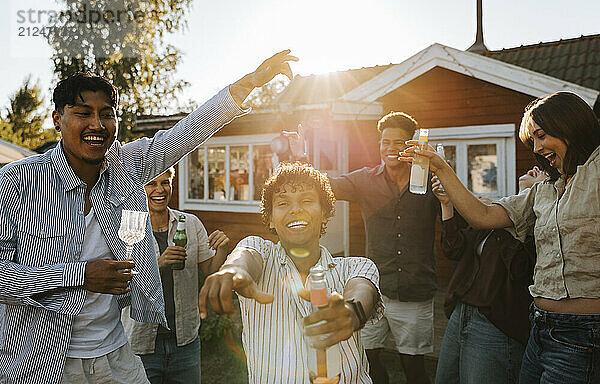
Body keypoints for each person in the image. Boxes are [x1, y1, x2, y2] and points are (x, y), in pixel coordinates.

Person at [0, 50, 297, 384]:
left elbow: (184, 134)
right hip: (43, 361)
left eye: (106, 114)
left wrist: (249, 84)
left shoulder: (127, 166)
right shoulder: (17, 181)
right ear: (57, 119)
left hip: (116, 354)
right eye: (83, 113)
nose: (97, 125)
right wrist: (78, 276)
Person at [399, 91, 600, 384]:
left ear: (569, 124)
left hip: (583, 333)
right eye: (533, 140)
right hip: (540, 327)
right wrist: (441, 167)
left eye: (542, 136)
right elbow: (482, 215)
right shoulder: (545, 189)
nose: (538, 147)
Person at [198, 162, 384, 384]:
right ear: (270, 219)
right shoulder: (261, 253)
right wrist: (232, 270)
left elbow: (361, 290)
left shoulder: (356, 267)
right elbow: (245, 256)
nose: (296, 210)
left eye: (306, 200)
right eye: (283, 203)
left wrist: (351, 312)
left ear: (325, 213)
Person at [288, 113, 439, 384]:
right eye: (385, 142)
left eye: (399, 142)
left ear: (412, 144)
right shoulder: (365, 180)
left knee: (414, 367)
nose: (391, 148)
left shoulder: (430, 182)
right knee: (369, 359)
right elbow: (324, 186)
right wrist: (302, 158)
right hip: (373, 290)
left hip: (416, 292)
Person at [433, 166, 547, 384]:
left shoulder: (539, 222)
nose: (534, 168)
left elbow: (521, 270)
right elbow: (453, 248)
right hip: (461, 312)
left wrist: (492, 219)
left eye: (542, 170)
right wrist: (446, 204)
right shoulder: (498, 211)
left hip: (496, 322)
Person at [121, 168, 231, 384]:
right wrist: (159, 263)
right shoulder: (129, 226)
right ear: (138, 188)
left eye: (165, 183)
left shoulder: (189, 223)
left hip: (184, 342)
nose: (159, 190)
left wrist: (223, 251)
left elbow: (209, 270)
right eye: (151, 184)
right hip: (140, 343)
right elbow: (120, 280)